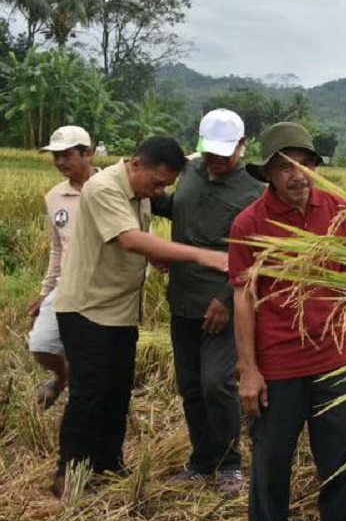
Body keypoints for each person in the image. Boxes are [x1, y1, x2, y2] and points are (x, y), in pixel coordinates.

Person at [53, 137, 229, 492]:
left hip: (120, 311)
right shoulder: (103, 188)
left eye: (165, 185)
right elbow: (130, 239)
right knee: (89, 394)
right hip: (87, 308)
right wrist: (201, 256)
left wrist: (156, 256)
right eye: (157, 183)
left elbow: (134, 240)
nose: (159, 191)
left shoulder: (140, 192)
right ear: (135, 164)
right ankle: (69, 474)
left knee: (117, 393)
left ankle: (107, 464)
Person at [229, 122, 346, 521]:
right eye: (285, 166)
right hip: (279, 365)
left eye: (305, 164)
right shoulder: (249, 223)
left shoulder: (339, 212)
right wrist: (249, 370)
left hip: (334, 361)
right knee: (271, 464)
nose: (297, 175)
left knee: (343, 461)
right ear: (267, 173)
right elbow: (245, 300)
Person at [152, 109, 263, 494]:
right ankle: (202, 462)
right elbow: (176, 209)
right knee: (191, 385)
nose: (217, 160)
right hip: (182, 297)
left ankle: (231, 463)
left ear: (243, 146)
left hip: (224, 303)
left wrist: (225, 300)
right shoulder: (190, 171)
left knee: (217, 382)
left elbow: (255, 255)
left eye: (225, 152)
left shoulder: (253, 189)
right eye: (210, 152)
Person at [28, 126, 99, 409]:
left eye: (66, 155)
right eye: (55, 156)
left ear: (88, 154)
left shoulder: (113, 189)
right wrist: (46, 291)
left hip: (103, 288)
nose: (60, 162)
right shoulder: (55, 197)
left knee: (95, 357)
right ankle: (63, 375)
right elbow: (58, 250)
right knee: (41, 344)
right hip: (66, 285)